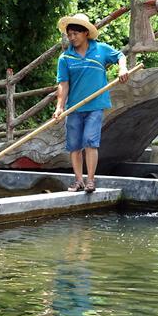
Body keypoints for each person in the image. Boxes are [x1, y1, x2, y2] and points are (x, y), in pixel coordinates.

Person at [53, 13, 128, 193]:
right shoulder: (65, 58)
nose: (72, 37)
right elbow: (63, 84)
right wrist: (59, 107)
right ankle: (78, 180)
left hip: (95, 105)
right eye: (69, 34)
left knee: (90, 141)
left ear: (85, 33)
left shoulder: (100, 50)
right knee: (74, 145)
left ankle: (91, 181)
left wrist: (123, 68)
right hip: (75, 107)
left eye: (75, 34)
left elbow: (120, 55)